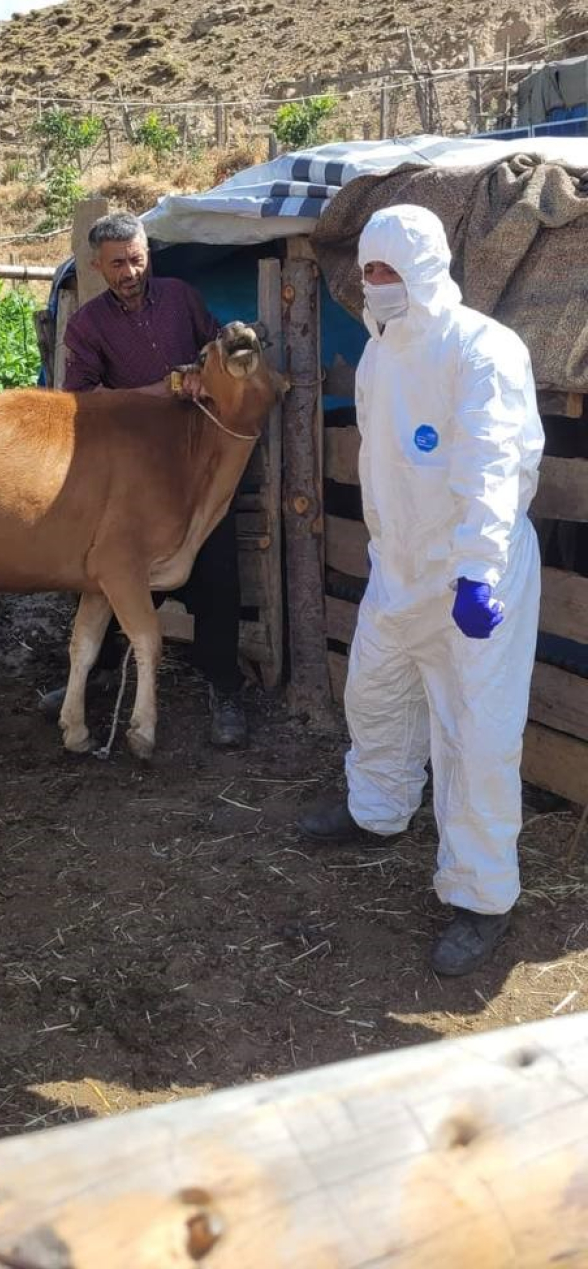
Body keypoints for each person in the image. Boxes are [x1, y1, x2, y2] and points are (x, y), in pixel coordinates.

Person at [299, 205, 544, 976]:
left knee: (478, 737)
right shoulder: (379, 358)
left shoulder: (483, 351)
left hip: (477, 580)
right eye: (369, 272)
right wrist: (389, 558)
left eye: (390, 272)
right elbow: (388, 472)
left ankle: (479, 897)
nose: (377, 285)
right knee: (375, 694)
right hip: (401, 570)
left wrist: (475, 575)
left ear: (429, 269)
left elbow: (491, 470)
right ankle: (377, 811)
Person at [53, 210, 247, 749]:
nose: (130, 271)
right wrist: (156, 392)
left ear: (148, 255)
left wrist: (202, 374)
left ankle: (223, 688)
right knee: (109, 575)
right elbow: (82, 401)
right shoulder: (87, 325)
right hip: (131, 476)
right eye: (117, 263)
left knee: (218, 573)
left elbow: (215, 353)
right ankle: (95, 677)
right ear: (97, 266)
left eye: (137, 259)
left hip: (193, 464)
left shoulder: (183, 297)